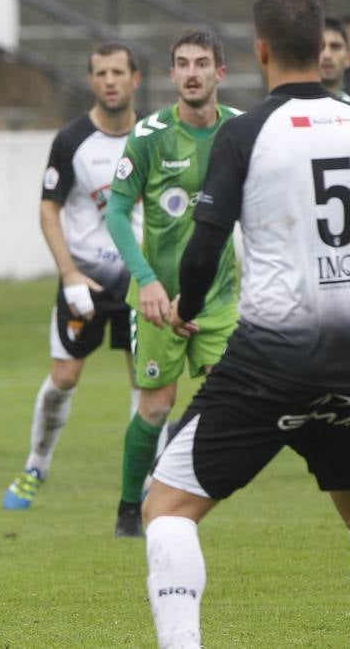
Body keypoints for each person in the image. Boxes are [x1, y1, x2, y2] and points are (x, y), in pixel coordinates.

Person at [144, 0, 350, 649]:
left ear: (261, 51)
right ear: (322, 47)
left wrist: (188, 308)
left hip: (268, 362)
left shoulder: (245, 133)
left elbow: (202, 252)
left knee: (166, 507)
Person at [104, 30, 241, 538]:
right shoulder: (149, 135)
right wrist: (147, 283)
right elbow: (117, 213)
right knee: (156, 406)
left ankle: (175, 486)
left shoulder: (241, 133)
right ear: (171, 74)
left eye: (201, 63)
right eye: (182, 63)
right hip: (158, 300)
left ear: (219, 73)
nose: (191, 72)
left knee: (231, 398)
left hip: (219, 299)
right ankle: (126, 508)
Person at [2, 42, 142, 510]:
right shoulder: (71, 140)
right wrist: (69, 273)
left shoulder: (155, 138)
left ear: (135, 79)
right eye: (101, 72)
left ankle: (141, 481)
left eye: (118, 72)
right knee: (63, 378)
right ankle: (35, 464)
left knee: (146, 379)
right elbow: (49, 209)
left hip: (143, 283)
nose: (110, 80)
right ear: (92, 80)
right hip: (85, 279)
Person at [318, 17, 350, 104]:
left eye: (335, 46)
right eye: (320, 47)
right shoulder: (290, 109)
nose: (327, 55)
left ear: (348, 58)